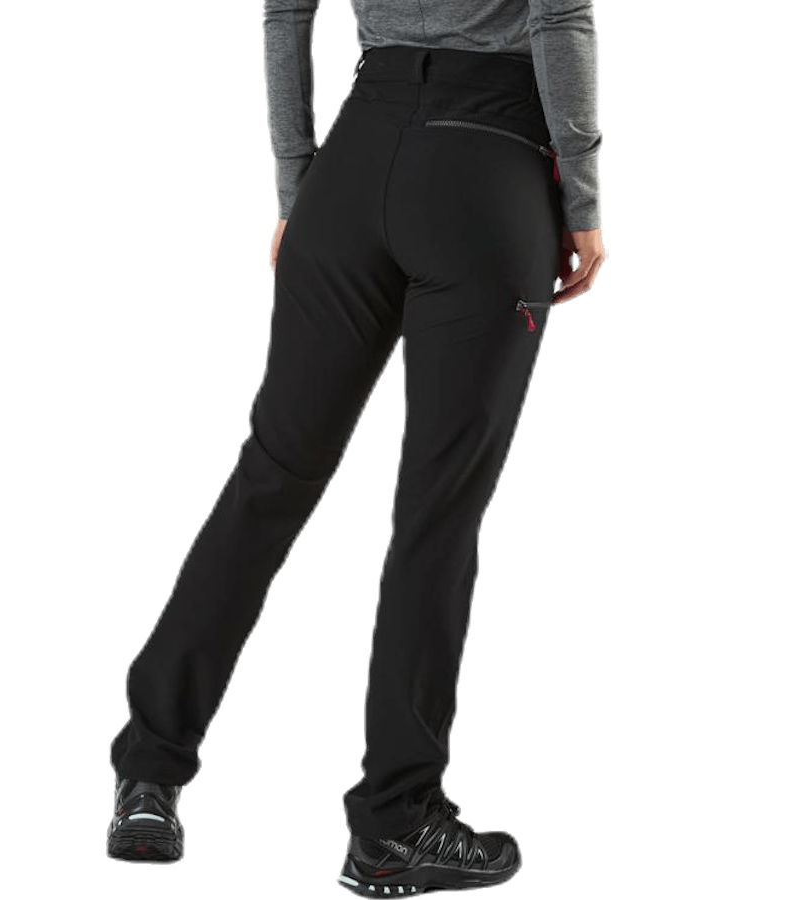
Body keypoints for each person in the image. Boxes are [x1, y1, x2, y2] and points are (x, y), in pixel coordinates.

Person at [106, 0, 608, 891]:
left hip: (356, 157)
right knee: (438, 511)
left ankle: (149, 770)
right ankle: (395, 823)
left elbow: (285, 10)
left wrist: (298, 191)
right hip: (487, 165)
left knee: (272, 474)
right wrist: (584, 202)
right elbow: (560, 14)